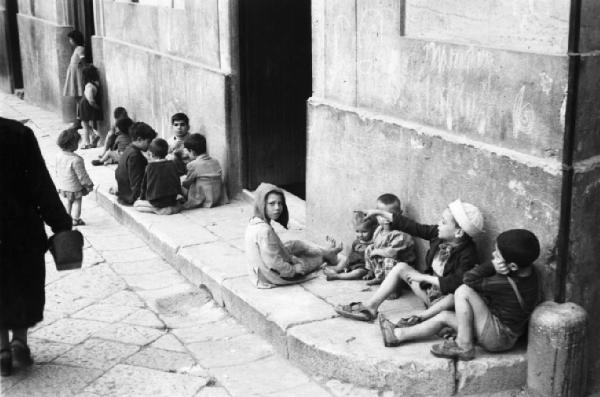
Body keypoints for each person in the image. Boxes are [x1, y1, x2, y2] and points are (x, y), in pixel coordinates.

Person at [378, 229, 540, 361]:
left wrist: (491, 266)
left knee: (463, 291)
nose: (493, 256)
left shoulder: (505, 284)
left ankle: (464, 345)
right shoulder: (528, 273)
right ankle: (398, 335)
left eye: (497, 255)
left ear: (512, 265)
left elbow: (468, 280)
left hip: (498, 336)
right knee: (444, 317)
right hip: (501, 331)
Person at [0, 117, 72, 377]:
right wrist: (60, 222)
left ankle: (2, 350)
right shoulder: (19, 133)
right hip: (22, 229)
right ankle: (19, 341)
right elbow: (40, 182)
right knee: (23, 284)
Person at [335, 199, 483, 323]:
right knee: (401, 267)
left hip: (444, 302)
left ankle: (426, 318)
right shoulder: (437, 235)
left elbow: (457, 282)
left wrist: (424, 277)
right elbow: (413, 227)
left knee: (456, 294)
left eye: (443, 222)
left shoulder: (468, 254)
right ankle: (370, 308)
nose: (438, 224)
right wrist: (380, 213)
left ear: (458, 232)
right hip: (429, 294)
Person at [245, 183, 343, 288]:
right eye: (272, 204)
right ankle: (326, 256)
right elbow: (273, 263)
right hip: (270, 276)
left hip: (260, 271)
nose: (277, 208)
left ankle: (325, 251)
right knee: (309, 262)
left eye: (280, 203)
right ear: (262, 204)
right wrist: (293, 269)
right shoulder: (264, 231)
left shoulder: (254, 222)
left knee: (295, 244)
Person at [362, 194, 416, 286]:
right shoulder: (380, 229)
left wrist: (377, 251)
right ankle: (378, 276)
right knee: (369, 249)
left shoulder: (401, 234)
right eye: (381, 215)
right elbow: (376, 242)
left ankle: (393, 287)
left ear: (399, 214)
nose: (385, 219)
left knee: (388, 261)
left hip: (400, 269)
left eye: (390, 215)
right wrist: (367, 244)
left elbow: (392, 253)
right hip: (383, 264)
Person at [55, 128, 94, 226]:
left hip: (64, 185)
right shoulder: (76, 160)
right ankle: (76, 219)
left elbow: (57, 170)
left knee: (68, 201)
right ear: (72, 144)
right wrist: (89, 184)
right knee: (77, 201)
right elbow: (82, 175)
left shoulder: (58, 155)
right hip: (75, 187)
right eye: (77, 142)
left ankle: (67, 217)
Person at [133, 138, 183, 215]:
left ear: (151, 154)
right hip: (171, 200)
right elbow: (177, 182)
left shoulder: (150, 167)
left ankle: (159, 210)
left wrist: (142, 198)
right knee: (176, 203)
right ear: (166, 152)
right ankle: (170, 208)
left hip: (156, 202)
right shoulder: (173, 164)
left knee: (136, 205)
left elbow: (144, 186)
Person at [323, 211, 377, 281]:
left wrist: (371, 271)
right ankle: (336, 269)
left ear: (372, 230)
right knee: (344, 260)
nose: (360, 235)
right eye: (357, 231)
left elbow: (374, 260)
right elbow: (351, 255)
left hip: (363, 267)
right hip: (351, 265)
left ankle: (337, 276)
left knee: (358, 273)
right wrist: (346, 264)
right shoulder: (356, 242)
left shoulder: (372, 244)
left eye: (364, 232)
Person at [114, 122, 157, 205]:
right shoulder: (135, 156)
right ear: (139, 139)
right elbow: (136, 182)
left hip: (124, 194)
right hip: (130, 197)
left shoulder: (129, 149)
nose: (150, 145)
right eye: (148, 141)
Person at [181, 133, 226, 209]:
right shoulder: (215, 161)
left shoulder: (192, 165)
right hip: (217, 196)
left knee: (183, 181)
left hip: (202, 198)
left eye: (188, 152)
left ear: (192, 151)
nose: (187, 154)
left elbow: (187, 183)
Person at [63, 30, 86, 128]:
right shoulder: (77, 48)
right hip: (74, 74)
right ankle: (78, 118)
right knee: (77, 97)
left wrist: (85, 68)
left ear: (75, 39)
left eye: (71, 39)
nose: (70, 41)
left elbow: (83, 59)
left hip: (77, 74)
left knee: (79, 97)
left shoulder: (80, 49)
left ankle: (79, 119)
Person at [79, 65, 103, 149]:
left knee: (84, 124)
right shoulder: (95, 83)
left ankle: (87, 142)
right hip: (86, 105)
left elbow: (91, 100)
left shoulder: (89, 85)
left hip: (86, 106)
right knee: (84, 123)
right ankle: (93, 135)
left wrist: (96, 107)